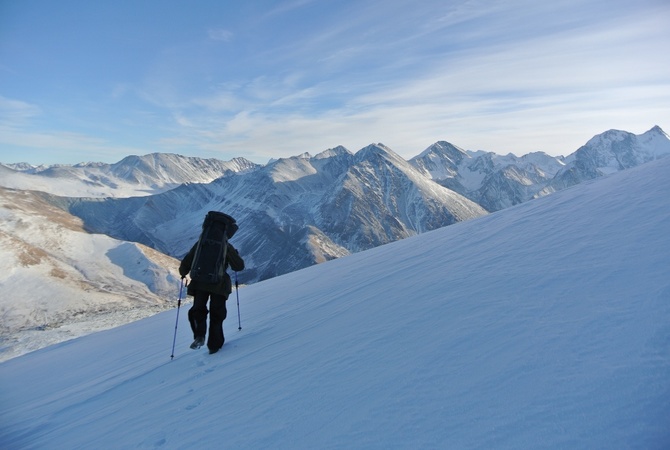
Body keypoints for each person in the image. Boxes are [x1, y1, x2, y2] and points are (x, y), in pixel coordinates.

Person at [179, 241, 244, 354]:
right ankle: (214, 345)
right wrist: (235, 255)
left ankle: (199, 335)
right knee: (217, 314)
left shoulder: (201, 243)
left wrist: (183, 272)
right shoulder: (226, 245)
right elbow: (238, 266)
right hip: (219, 284)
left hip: (200, 282)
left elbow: (187, 262)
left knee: (198, 310)